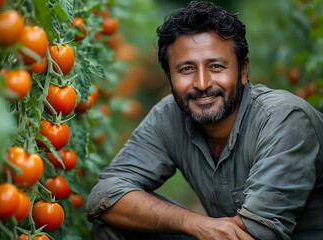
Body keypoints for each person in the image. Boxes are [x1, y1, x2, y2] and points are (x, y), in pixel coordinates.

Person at [86, 1, 323, 239]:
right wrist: (194, 223)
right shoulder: (169, 115)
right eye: (187, 69)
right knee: (116, 222)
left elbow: (258, 234)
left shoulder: (284, 119)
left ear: (243, 70)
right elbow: (104, 195)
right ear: (169, 77)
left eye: (216, 66)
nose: (202, 84)